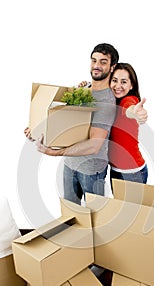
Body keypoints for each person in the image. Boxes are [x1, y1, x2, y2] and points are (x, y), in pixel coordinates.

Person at [25, 43, 119, 205]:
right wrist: (38, 132)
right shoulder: (83, 89)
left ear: (112, 67)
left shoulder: (106, 102)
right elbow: (66, 126)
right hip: (70, 164)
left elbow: (94, 145)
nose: (96, 66)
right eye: (94, 60)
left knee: (94, 219)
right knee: (71, 215)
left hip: (91, 170)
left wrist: (53, 153)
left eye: (103, 62)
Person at [108, 62, 148, 188]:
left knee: (130, 208)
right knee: (121, 207)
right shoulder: (112, 103)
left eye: (124, 82)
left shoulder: (128, 101)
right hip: (116, 170)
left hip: (132, 173)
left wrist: (136, 113)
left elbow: (129, 109)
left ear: (131, 85)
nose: (118, 86)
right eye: (114, 80)